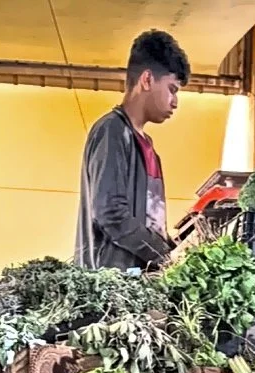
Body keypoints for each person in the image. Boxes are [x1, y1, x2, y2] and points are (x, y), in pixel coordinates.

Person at [74, 30, 190, 271]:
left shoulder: (148, 148)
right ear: (147, 80)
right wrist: (165, 256)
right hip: (110, 283)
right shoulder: (112, 131)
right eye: (172, 89)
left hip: (138, 279)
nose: (175, 102)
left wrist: (175, 250)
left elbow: (149, 223)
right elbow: (111, 213)